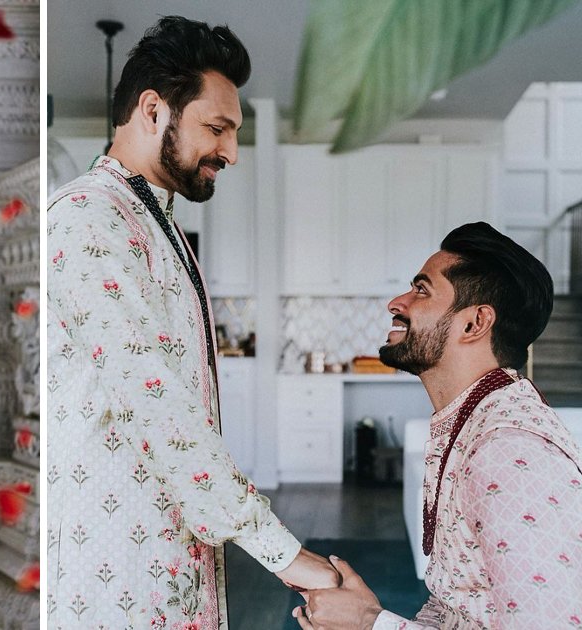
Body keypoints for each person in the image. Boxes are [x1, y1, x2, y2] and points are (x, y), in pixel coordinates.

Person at [46, 16, 338, 630]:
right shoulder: (88, 220)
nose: (230, 152)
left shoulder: (159, 224)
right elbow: (156, 405)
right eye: (217, 128)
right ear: (154, 111)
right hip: (114, 577)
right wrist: (286, 555)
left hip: (171, 569)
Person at [295, 222, 582, 629]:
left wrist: (371, 623)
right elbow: (458, 607)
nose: (397, 302)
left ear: (474, 323)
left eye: (421, 290)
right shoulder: (470, 419)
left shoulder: (509, 450)